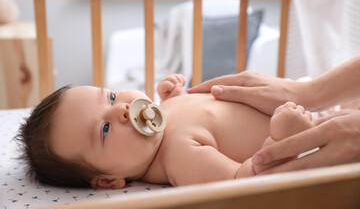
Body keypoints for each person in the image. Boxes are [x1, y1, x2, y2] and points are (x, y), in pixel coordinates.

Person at [17, 73, 318, 189]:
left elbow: (200, 118)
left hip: (306, 97)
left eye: (110, 97)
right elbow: (243, 180)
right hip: (311, 135)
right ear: (108, 180)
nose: (122, 109)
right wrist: (285, 138)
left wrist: (173, 99)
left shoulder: (159, 126)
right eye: (105, 129)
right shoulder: (179, 157)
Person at [188, 56, 360, 174]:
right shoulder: (177, 149)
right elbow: (237, 180)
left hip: (310, 117)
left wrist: (170, 95)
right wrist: (280, 140)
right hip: (307, 132)